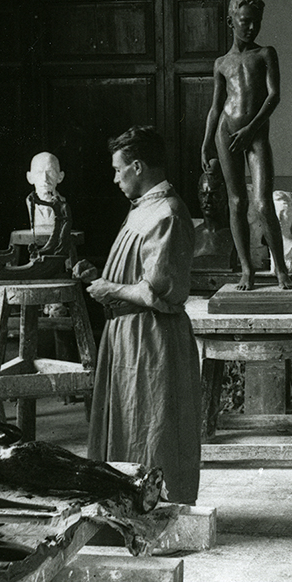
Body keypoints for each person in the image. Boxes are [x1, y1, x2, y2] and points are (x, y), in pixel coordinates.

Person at [79, 126, 202, 504]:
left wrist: (108, 289)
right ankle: (125, 512)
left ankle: (154, 516)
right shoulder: (143, 210)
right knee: (128, 427)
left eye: (119, 170)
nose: (115, 179)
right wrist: (100, 277)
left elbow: (159, 290)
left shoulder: (166, 213)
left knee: (152, 431)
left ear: (137, 166)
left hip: (152, 340)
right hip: (128, 338)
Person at [202, 0, 292, 290]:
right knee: (237, 202)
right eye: (245, 21)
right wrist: (206, 143)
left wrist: (251, 130)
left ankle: (280, 270)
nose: (251, 27)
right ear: (231, 21)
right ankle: (247, 270)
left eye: (256, 22)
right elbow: (216, 106)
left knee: (264, 203)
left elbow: (274, 96)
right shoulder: (221, 63)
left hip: (254, 136)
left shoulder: (265, 53)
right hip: (225, 132)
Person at [24, 151, 73, 260]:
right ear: (30, 177)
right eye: (39, 172)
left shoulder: (64, 206)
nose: (45, 179)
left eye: (50, 172)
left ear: (60, 177)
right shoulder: (26, 205)